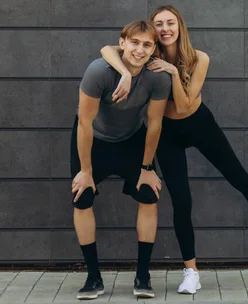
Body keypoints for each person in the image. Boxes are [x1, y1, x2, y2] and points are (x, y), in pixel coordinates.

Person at [101, 5, 248, 295]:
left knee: (239, 178)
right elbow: (107, 50)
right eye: (158, 23)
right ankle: (191, 271)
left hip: (199, 123)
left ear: (180, 26)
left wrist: (173, 73)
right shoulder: (149, 53)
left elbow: (185, 106)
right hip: (167, 133)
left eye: (170, 22)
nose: (164, 28)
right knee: (182, 201)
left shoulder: (199, 58)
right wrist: (124, 72)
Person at [71, 20, 171, 300]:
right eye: (135, 42)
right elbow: (85, 123)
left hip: (131, 140)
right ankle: (93, 278)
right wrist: (86, 170)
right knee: (82, 197)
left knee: (149, 194)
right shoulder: (98, 71)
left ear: (153, 50)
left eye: (147, 44)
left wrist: (147, 168)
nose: (140, 49)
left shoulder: (158, 77)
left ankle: (143, 275)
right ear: (122, 42)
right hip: (94, 139)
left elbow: (154, 124)